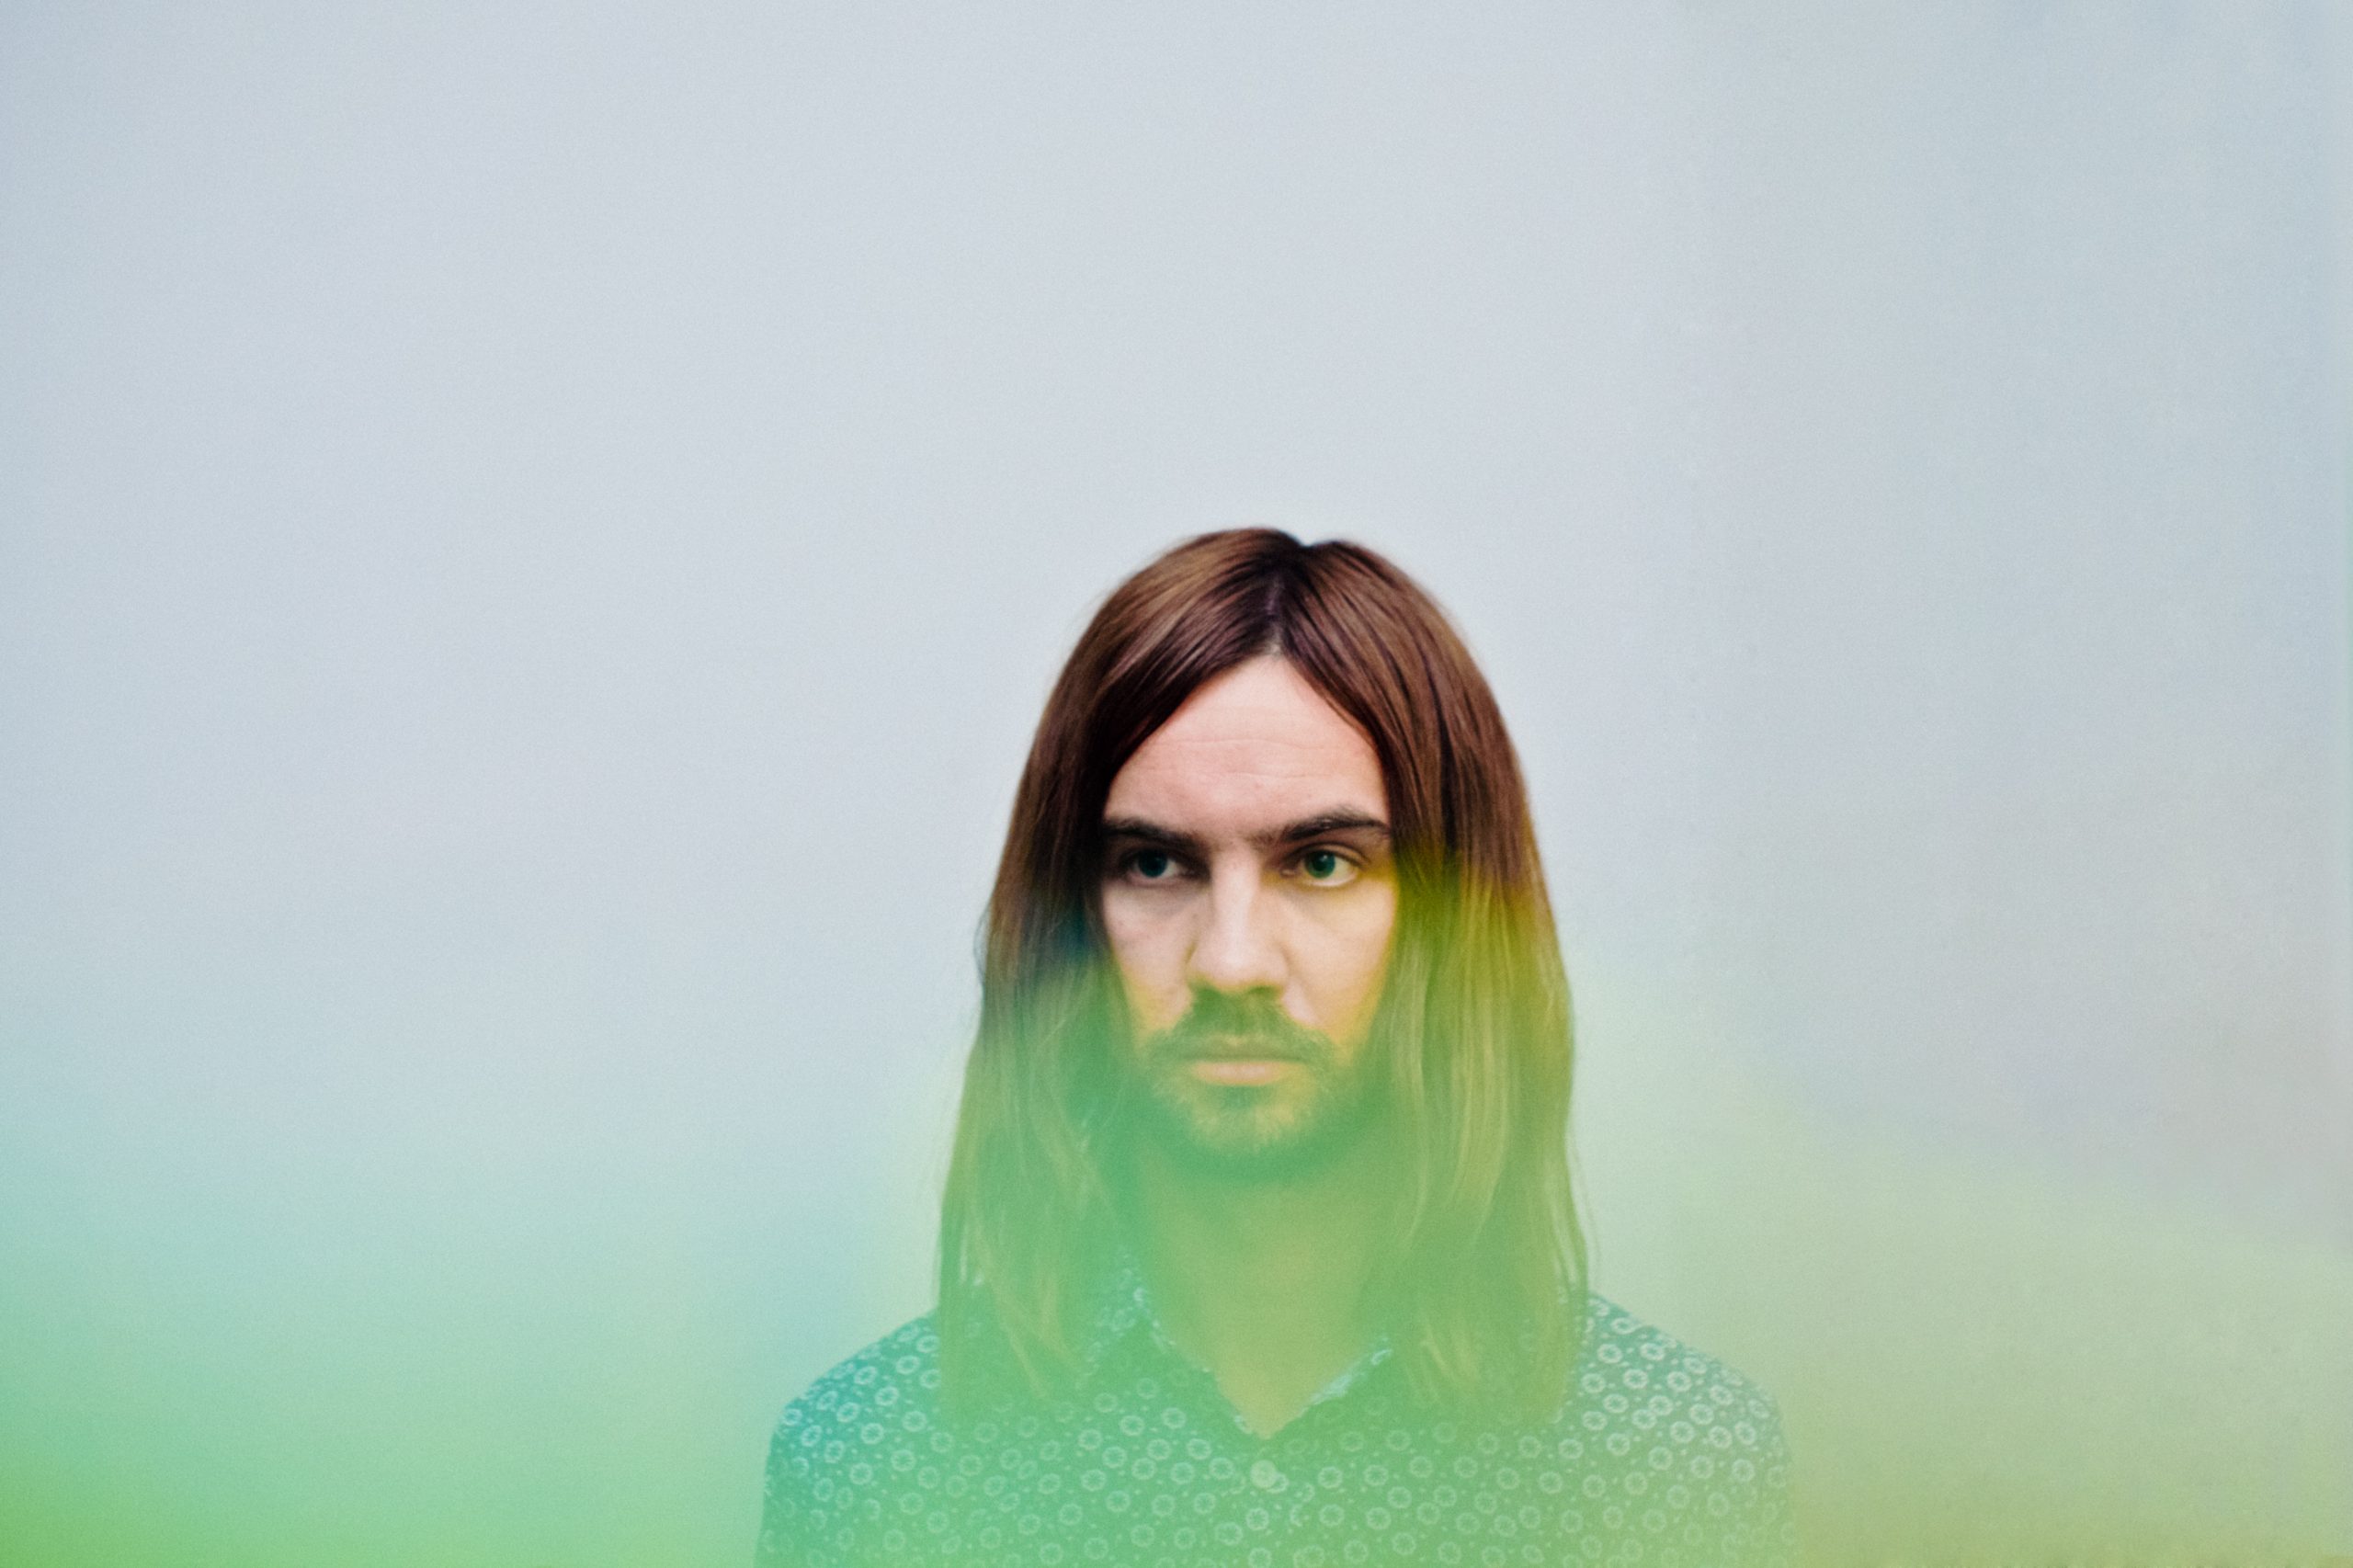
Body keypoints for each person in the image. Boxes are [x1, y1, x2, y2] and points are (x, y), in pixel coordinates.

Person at [756, 529, 1796, 1567]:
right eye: (1155, 863)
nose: (1232, 961)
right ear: (1067, 918)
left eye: (1323, 862)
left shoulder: (1668, 1465)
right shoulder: (873, 1463)